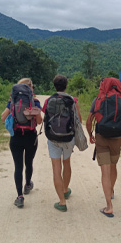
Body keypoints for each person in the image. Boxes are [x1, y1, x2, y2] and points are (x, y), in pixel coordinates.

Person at [86, 78, 121, 218]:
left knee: (105, 171)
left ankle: (109, 206)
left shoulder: (99, 98)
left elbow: (89, 121)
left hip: (102, 137)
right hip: (117, 139)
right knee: (113, 166)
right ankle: (111, 191)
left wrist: (90, 134)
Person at [42, 75, 83, 212]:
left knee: (56, 168)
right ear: (66, 85)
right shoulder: (72, 100)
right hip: (68, 138)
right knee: (67, 163)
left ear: (54, 85)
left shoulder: (49, 100)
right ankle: (65, 189)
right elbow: (79, 120)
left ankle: (62, 201)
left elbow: (45, 116)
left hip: (53, 138)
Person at [1, 78, 42, 208]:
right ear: (30, 88)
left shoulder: (12, 102)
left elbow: (3, 117)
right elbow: (39, 121)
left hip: (16, 138)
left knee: (18, 166)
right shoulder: (34, 102)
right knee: (28, 162)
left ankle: (19, 196)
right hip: (30, 137)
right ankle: (28, 184)